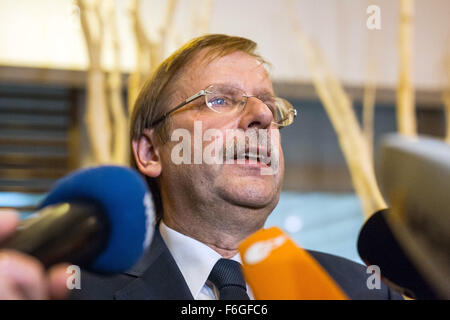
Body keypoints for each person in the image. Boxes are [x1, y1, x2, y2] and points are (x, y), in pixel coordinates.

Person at [0, 34, 402, 300]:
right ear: (151, 153)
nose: (262, 116)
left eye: (270, 105)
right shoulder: (64, 290)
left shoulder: (359, 291)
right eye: (221, 100)